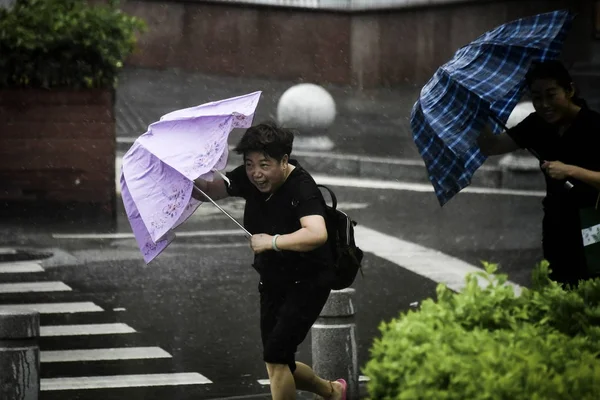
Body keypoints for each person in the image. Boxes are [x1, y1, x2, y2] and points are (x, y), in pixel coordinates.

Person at [192, 121, 347, 400]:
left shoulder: (301, 187)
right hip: (273, 280)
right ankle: (333, 391)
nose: (256, 174)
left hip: (308, 281)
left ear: (284, 160)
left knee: (276, 356)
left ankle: (333, 392)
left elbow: (317, 233)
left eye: (264, 165)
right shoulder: (249, 178)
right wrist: (185, 180)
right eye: (249, 164)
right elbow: (211, 190)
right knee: (277, 360)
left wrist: (272, 241)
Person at [477, 60, 600, 287]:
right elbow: (492, 147)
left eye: (551, 95)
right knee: (559, 287)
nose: (544, 105)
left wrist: (571, 170)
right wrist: (480, 114)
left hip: (593, 221)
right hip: (556, 222)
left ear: (569, 90)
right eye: (536, 97)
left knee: (590, 283)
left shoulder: (594, 126)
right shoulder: (538, 124)